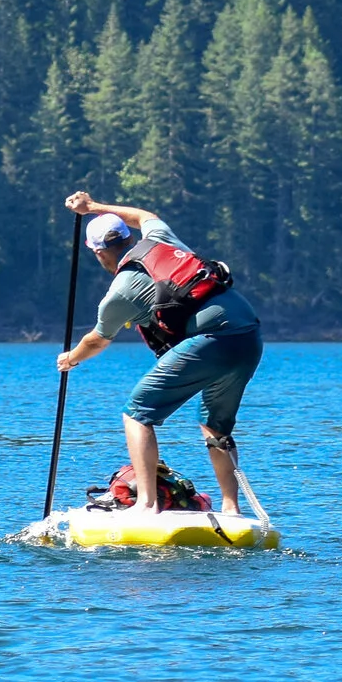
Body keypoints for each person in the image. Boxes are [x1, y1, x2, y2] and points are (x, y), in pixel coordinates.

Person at [54, 192, 262, 517]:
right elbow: (143, 214)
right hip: (248, 333)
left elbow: (97, 339)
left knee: (136, 412)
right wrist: (93, 207)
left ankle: (146, 504)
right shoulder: (159, 238)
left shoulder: (119, 292)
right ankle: (231, 508)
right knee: (215, 426)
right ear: (127, 236)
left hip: (213, 340)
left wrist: (71, 358)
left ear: (98, 254)